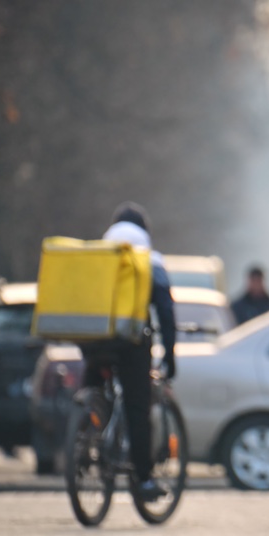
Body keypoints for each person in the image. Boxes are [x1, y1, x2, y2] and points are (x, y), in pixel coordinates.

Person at [80, 202, 177, 501]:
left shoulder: (98, 256)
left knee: (93, 389)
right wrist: (170, 354)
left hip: (94, 342)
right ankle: (145, 479)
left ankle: (82, 441)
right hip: (132, 345)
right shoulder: (150, 261)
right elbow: (165, 310)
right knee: (138, 407)